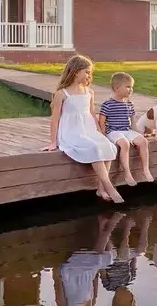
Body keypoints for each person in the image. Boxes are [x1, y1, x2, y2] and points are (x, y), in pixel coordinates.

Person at [42, 55, 123, 203]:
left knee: (108, 146)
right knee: (93, 147)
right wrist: (53, 142)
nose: (89, 75)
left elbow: (92, 113)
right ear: (75, 71)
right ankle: (109, 186)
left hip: (88, 129)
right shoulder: (62, 93)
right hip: (71, 132)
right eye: (86, 71)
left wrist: (100, 131)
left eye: (89, 72)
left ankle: (101, 188)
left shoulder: (89, 92)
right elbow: (55, 119)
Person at [98, 72, 154, 186]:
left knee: (143, 142)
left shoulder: (129, 104)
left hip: (126, 130)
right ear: (117, 88)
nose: (131, 90)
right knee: (124, 144)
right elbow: (102, 121)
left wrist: (138, 134)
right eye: (128, 87)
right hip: (113, 131)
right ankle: (127, 173)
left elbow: (132, 121)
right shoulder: (107, 104)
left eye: (132, 87)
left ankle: (145, 169)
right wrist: (103, 135)